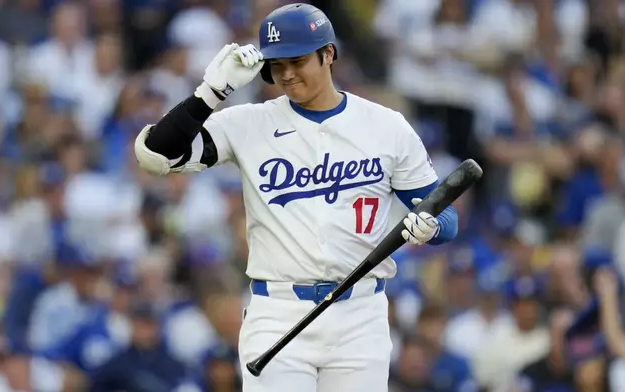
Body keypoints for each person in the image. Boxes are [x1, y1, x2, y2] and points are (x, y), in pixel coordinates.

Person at [133, 3, 458, 391]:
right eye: (277, 65)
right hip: (278, 311)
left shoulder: (385, 126)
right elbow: (156, 156)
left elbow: (446, 218)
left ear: (329, 54)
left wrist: (431, 225)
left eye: (297, 61)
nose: (286, 75)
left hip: (361, 314)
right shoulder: (248, 122)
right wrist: (210, 93)